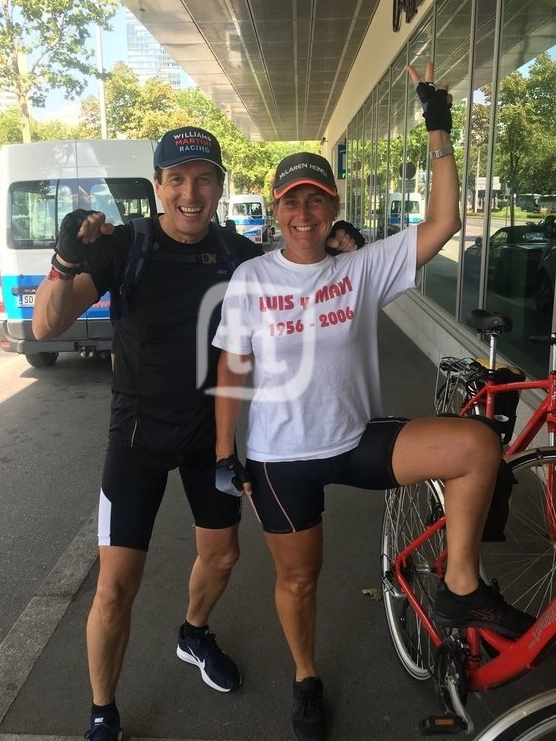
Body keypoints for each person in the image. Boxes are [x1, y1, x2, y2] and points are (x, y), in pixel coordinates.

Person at [212, 65, 535, 741]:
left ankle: (461, 586)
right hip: (280, 458)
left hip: (358, 438)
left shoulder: (360, 267)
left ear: (333, 207)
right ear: (276, 209)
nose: (304, 214)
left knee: (477, 445)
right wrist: (223, 453)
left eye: (316, 200)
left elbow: (444, 220)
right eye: (292, 202)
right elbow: (233, 364)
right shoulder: (250, 278)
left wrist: (437, 122)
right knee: (299, 581)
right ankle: (306, 675)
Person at [31, 125, 358, 741]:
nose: (190, 193)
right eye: (177, 179)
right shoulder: (126, 245)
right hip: (137, 440)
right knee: (115, 586)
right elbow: (48, 326)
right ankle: (102, 713)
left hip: (212, 440)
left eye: (203, 179)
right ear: (158, 185)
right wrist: (65, 259)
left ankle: (193, 632)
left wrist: (342, 249)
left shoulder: (237, 254)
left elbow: (303, 276)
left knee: (223, 554)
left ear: (219, 186)